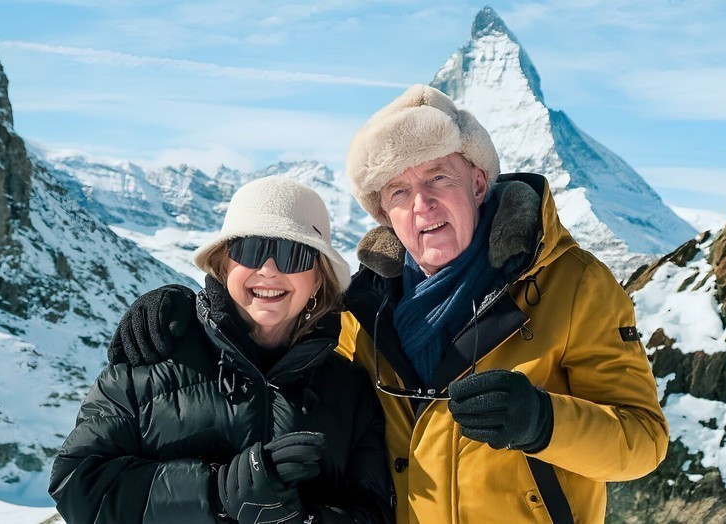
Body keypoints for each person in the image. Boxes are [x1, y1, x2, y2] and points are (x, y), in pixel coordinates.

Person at [114, 85, 669, 523]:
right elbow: (273, 352)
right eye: (399, 192)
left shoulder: (573, 283)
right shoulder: (363, 308)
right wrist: (186, 315)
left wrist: (542, 421)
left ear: (478, 184)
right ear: (384, 214)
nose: (421, 204)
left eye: (438, 178)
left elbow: (642, 440)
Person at [49, 176, 394, 524]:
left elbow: (375, 512)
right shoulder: (151, 356)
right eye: (249, 250)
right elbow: (77, 484)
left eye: (294, 254)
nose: (268, 270)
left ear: (318, 279)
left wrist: (301, 520)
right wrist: (216, 493)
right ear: (224, 264)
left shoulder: (350, 391)